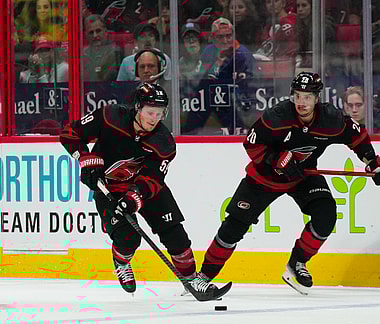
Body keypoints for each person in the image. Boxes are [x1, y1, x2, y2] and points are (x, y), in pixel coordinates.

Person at [193, 72, 380, 295]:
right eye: (298, 96)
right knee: (235, 224)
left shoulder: (331, 119)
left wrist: (373, 163)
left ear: (317, 98)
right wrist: (274, 159)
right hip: (264, 178)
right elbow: (251, 144)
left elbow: (357, 138)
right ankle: (203, 276)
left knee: (326, 215)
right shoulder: (277, 116)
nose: (302, 102)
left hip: (303, 175)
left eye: (307, 97)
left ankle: (297, 264)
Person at [59, 82, 224, 299]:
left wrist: (134, 197)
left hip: (144, 189)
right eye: (150, 112)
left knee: (174, 233)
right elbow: (70, 134)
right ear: (137, 107)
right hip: (108, 187)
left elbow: (153, 179)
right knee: (128, 239)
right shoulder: (110, 117)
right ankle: (121, 261)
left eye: (159, 113)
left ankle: (191, 279)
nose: (154, 118)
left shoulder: (163, 141)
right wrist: (87, 159)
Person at [182, 17, 255, 135]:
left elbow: (252, 81)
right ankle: (189, 132)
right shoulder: (208, 51)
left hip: (236, 100)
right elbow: (199, 77)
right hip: (211, 97)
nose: (225, 40)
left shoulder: (242, 53)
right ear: (212, 38)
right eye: (220, 37)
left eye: (228, 36)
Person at [82, 14, 123, 82]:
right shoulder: (82, 55)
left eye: (98, 31)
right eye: (91, 32)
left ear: (105, 31)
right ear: (86, 34)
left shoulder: (116, 52)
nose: (95, 35)